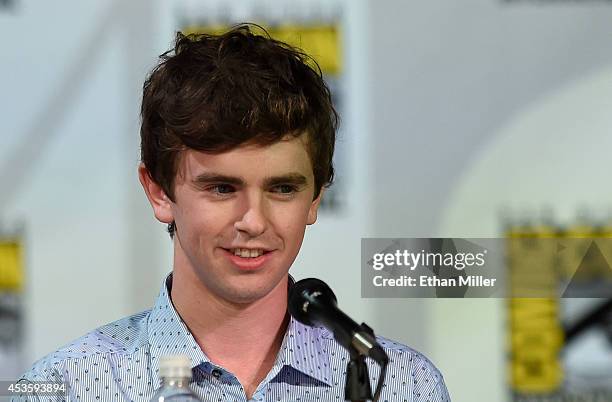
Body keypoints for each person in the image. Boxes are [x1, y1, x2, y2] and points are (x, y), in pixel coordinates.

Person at [16, 25, 451, 401]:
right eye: (222, 188)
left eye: (282, 188)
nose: (254, 221)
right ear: (159, 192)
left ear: (316, 197)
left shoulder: (403, 385)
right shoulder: (64, 386)